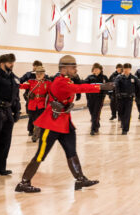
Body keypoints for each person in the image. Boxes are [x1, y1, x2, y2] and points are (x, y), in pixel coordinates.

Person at [14, 55, 113, 193]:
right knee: (41, 153)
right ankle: (24, 182)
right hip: (52, 123)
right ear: (64, 69)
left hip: (64, 122)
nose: (76, 69)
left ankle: (80, 179)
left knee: (71, 151)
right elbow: (79, 89)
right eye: (73, 67)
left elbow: (76, 87)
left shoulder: (67, 80)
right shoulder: (61, 81)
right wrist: (100, 86)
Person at [20, 63, 49, 141]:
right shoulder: (31, 82)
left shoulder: (47, 83)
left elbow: (53, 91)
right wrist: (13, 84)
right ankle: (37, 131)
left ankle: (36, 134)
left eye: (41, 73)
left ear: (44, 74)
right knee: (34, 121)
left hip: (42, 105)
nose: (39, 75)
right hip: (32, 105)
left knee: (39, 121)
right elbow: (22, 86)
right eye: (37, 73)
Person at [114, 62, 136, 135]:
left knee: (127, 113)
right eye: (125, 68)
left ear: (130, 69)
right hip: (120, 98)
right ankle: (123, 123)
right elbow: (116, 86)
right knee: (120, 113)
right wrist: (117, 94)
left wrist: (136, 96)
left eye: (128, 69)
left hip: (129, 99)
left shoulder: (133, 78)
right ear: (123, 69)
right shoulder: (119, 77)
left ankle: (125, 129)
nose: (126, 70)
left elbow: (138, 87)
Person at [84, 63, 106, 135]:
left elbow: (108, 87)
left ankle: (93, 129)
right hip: (90, 98)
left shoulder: (104, 78)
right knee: (92, 112)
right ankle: (97, 124)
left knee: (96, 113)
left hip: (99, 98)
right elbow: (84, 84)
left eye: (97, 69)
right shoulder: (89, 77)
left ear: (100, 70)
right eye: (94, 69)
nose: (95, 70)